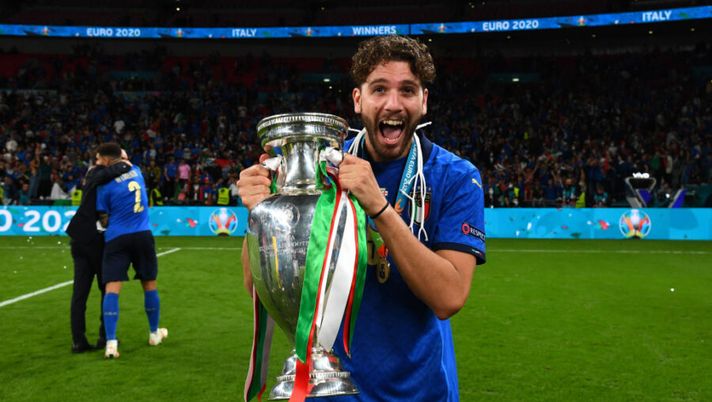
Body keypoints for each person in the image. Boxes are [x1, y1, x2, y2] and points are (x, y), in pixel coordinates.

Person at [238, 35, 486, 401]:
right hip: (329, 390)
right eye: (379, 89)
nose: (393, 104)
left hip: (419, 391)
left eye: (408, 90)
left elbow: (449, 297)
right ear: (358, 100)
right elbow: (257, 287)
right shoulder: (317, 174)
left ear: (424, 101)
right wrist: (261, 215)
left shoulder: (455, 177)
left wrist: (380, 209)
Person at [94, 143, 167, 359]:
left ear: (107, 160)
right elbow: (123, 159)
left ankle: (111, 344)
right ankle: (154, 333)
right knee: (149, 285)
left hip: (117, 237)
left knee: (112, 289)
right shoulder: (136, 171)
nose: (98, 163)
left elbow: (103, 217)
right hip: (142, 234)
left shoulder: (103, 186)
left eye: (99, 159)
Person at [65, 150, 131, 353]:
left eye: (97, 157)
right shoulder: (97, 172)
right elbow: (111, 171)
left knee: (82, 293)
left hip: (84, 239)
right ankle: (103, 336)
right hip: (93, 242)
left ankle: (84, 339)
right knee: (103, 290)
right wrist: (124, 163)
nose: (95, 161)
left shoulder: (104, 174)